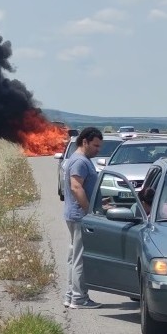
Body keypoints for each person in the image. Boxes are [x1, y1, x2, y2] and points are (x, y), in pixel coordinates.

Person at [62, 127, 104, 309]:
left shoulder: (80, 159)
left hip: (75, 214)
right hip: (80, 216)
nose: (98, 149)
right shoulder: (80, 161)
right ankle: (79, 299)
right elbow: (76, 188)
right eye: (95, 145)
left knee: (74, 257)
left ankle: (71, 295)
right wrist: (90, 212)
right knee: (80, 258)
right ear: (84, 142)